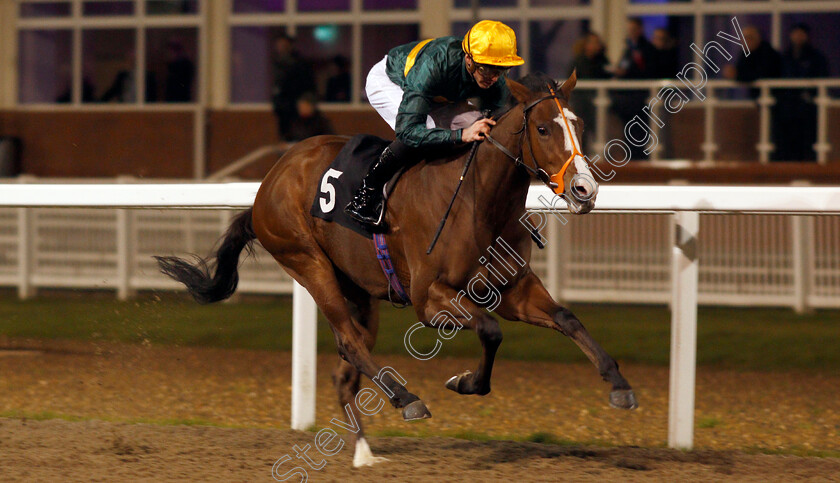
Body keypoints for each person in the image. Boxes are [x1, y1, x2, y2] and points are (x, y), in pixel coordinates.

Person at [345, 20, 524, 227]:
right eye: (486, 70)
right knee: (426, 127)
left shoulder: (492, 73)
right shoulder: (434, 65)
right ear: (469, 59)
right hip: (391, 81)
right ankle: (365, 195)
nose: (493, 77)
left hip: (437, 95)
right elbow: (408, 131)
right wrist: (461, 135)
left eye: (500, 70)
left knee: (478, 124)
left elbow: (502, 121)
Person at [774, 23, 829, 161]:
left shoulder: (816, 58)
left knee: (806, 141)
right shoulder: (784, 58)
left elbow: (822, 76)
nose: (798, 37)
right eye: (795, 33)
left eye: (801, 34)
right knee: (786, 141)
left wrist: (809, 95)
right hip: (786, 108)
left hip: (807, 108)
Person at [612, 18, 655, 161]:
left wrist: (628, 71)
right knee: (629, 132)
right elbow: (623, 65)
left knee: (640, 132)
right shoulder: (628, 50)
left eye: (633, 29)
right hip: (627, 99)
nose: (630, 33)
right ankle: (631, 158)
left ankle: (640, 159)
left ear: (640, 30)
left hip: (640, 98)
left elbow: (646, 69)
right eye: (628, 30)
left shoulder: (647, 48)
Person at [569, 32, 610, 153]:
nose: (596, 46)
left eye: (598, 43)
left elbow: (607, 76)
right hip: (582, 104)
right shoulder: (579, 61)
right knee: (583, 134)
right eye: (593, 42)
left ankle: (602, 158)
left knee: (600, 132)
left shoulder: (602, 60)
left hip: (597, 104)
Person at [271, 34, 315, 141]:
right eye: (279, 45)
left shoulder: (298, 64)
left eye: (283, 45)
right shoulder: (278, 64)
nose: (280, 48)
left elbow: (307, 86)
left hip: (294, 108)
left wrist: (303, 102)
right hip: (283, 109)